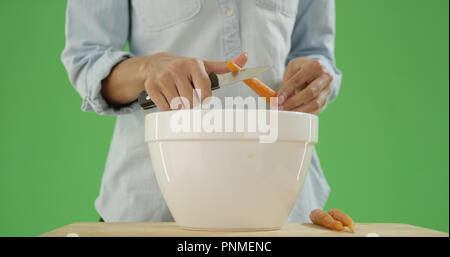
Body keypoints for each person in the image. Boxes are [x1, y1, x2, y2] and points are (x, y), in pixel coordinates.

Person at [61, 0, 342, 222]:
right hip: (154, 203)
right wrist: (148, 69)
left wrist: (317, 78)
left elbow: (316, 50)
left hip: (281, 201)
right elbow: (88, 59)